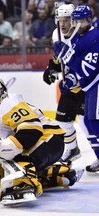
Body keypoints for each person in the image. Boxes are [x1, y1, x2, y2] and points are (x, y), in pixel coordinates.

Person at [0, 77, 83, 205]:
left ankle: (25, 186)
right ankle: (60, 175)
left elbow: (32, 130)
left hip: (50, 138)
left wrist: (6, 147)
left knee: (17, 156)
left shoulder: (9, 104)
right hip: (48, 143)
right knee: (12, 156)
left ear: (1, 94)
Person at [55, 4, 99, 174]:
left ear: (89, 20)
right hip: (90, 86)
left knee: (94, 122)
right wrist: (70, 80)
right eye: (77, 20)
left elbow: (88, 69)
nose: (79, 23)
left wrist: (69, 56)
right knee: (88, 121)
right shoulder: (77, 37)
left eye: (83, 20)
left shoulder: (94, 37)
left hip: (96, 82)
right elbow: (76, 70)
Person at [43, 4, 85, 162]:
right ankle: (72, 149)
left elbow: (85, 64)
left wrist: (73, 78)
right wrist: (51, 69)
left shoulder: (81, 35)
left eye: (66, 20)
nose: (63, 24)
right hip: (70, 87)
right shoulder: (56, 34)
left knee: (86, 124)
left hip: (86, 86)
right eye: (60, 20)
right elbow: (59, 58)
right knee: (62, 122)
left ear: (73, 20)